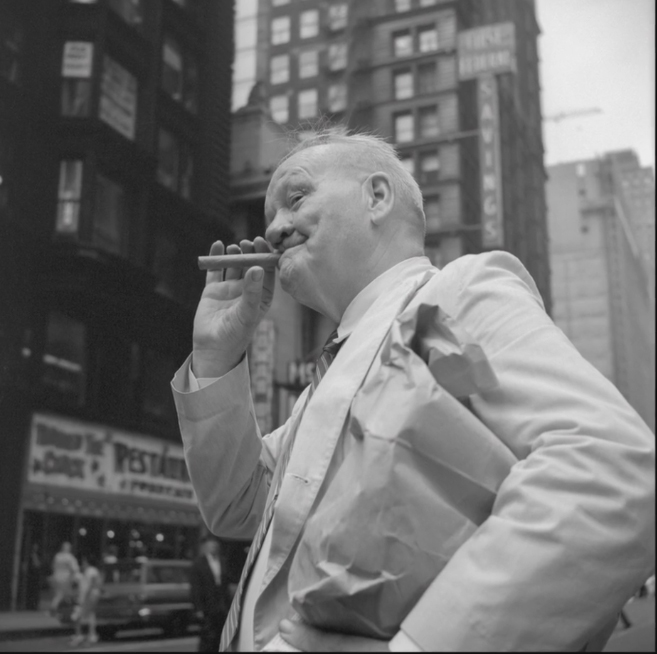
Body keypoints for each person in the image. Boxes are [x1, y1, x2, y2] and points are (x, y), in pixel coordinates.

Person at [171, 132, 655, 651]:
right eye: (270, 216)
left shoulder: (454, 297)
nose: (273, 229)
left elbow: (608, 466)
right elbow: (238, 504)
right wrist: (216, 356)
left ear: (377, 197)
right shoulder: (323, 386)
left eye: (296, 197)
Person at [190, 537, 232, 652]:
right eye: (211, 545)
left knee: (220, 634)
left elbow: (226, 584)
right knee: (207, 634)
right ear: (206, 547)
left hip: (222, 604)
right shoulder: (198, 563)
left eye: (215, 545)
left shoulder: (222, 561)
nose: (214, 547)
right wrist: (198, 608)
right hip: (207, 604)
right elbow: (195, 587)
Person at [70, 554, 102, 646]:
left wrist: (87, 595)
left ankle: (81, 635)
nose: (83, 563)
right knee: (90, 615)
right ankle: (91, 635)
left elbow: (94, 583)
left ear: (87, 561)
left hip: (89, 596)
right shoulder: (88, 571)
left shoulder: (91, 570)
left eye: (84, 561)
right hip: (89, 596)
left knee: (77, 615)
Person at [49, 542, 79, 615]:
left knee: (61, 594)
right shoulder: (70, 557)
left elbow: (53, 566)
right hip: (66, 578)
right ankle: (54, 608)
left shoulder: (57, 556)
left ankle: (61, 610)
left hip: (56, 577)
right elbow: (75, 569)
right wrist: (74, 578)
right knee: (62, 594)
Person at [23, 542, 42, 611]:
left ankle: (34, 606)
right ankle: (29, 605)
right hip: (30, 575)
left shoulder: (38, 555)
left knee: (35, 591)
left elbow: (38, 564)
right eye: (34, 546)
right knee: (30, 591)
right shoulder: (29, 555)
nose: (35, 548)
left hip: (36, 576)